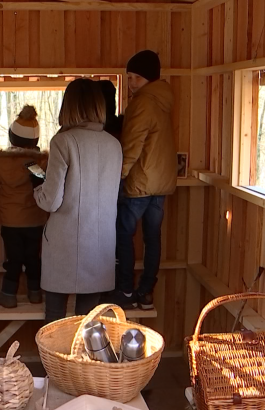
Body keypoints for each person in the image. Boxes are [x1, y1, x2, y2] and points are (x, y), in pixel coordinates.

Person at [34, 78, 123, 323]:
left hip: (65, 243)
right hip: (100, 245)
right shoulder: (114, 145)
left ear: (69, 106)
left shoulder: (63, 141)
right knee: (88, 324)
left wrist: (37, 190)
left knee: (54, 322)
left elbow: (51, 201)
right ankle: (80, 363)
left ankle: (53, 364)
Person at [107, 50, 178, 310]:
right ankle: (146, 292)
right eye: (128, 77)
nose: (131, 83)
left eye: (135, 77)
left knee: (123, 234)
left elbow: (132, 146)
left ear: (148, 78)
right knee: (152, 238)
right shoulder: (164, 100)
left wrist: (117, 176)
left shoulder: (142, 103)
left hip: (140, 182)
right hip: (162, 182)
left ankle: (125, 290)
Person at [0, 105, 49, 308]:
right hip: (35, 221)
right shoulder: (39, 164)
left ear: (12, 138)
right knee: (33, 258)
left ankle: (8, 294)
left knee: (13, 259)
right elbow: (44, 182)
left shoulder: (3, 164)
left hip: (11, 223)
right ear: (35, 141)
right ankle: (35, 293)